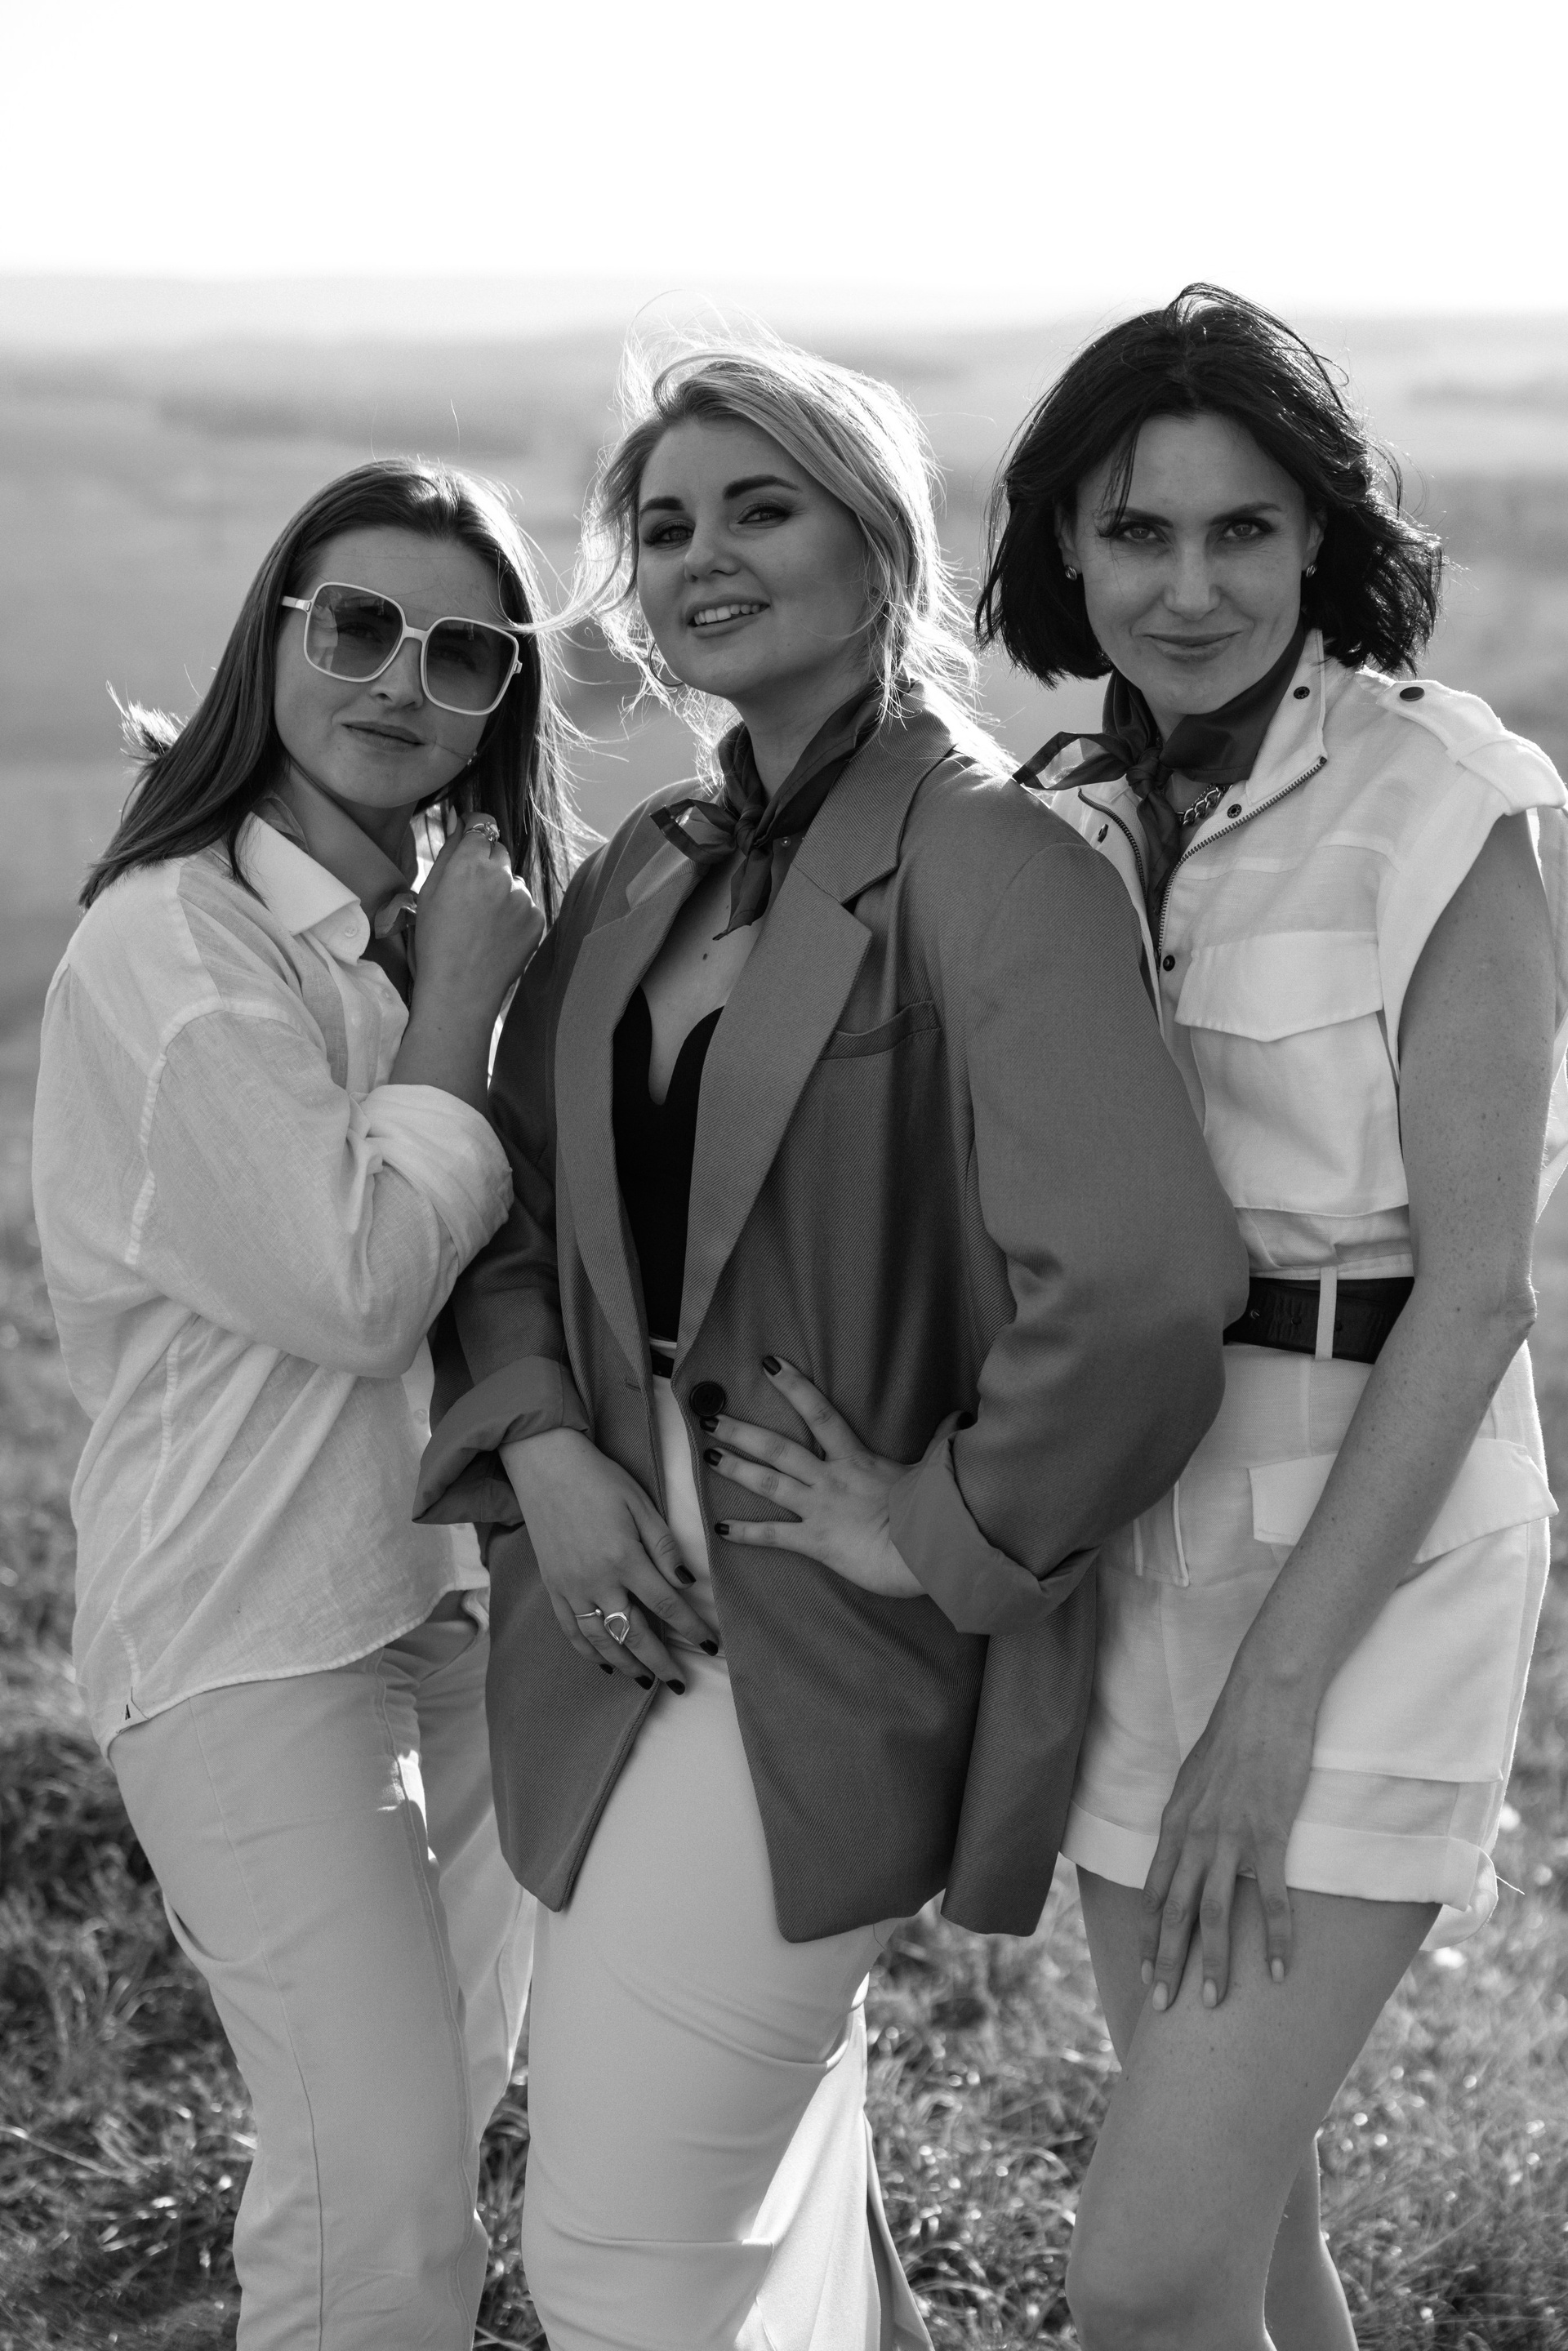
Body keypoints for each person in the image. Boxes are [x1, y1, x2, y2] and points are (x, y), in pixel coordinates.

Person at [414, 336, 1247, 2351]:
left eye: (759, 507)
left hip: (812, 1657)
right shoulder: (649, 863)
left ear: (879, 549)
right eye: (665, 524)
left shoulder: (998, 863)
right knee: (756, 2237)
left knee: (619, 2262)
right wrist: (544, 1453)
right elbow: (512, 1207)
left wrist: (938, 1525)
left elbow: (1144, 1280)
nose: (702, 554)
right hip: (607, 1622)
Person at [976, 283, 1568, 2351]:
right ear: (1068, 549)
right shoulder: (1064, 815)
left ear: (1322, 535)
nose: (1191, 585)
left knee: (1143, 2279)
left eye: (1243, 529)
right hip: (1147, 1548)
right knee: (1246, 2238)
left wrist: (1273, 1705)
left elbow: (1476, 1298)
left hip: (1376, 1568)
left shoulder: (1443, 802)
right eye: (1138, 532)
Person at [33, 457, 573, 2351]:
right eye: (357, 627)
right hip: (253, 1632)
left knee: (420, 2156)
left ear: (503, 703)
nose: (401, 682)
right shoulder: (173, 947)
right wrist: (460, 1017)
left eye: (464, 653)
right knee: (382, 2206)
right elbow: (355, 1289)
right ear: (272, 635)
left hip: (458, 1608)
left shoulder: (445, 922)